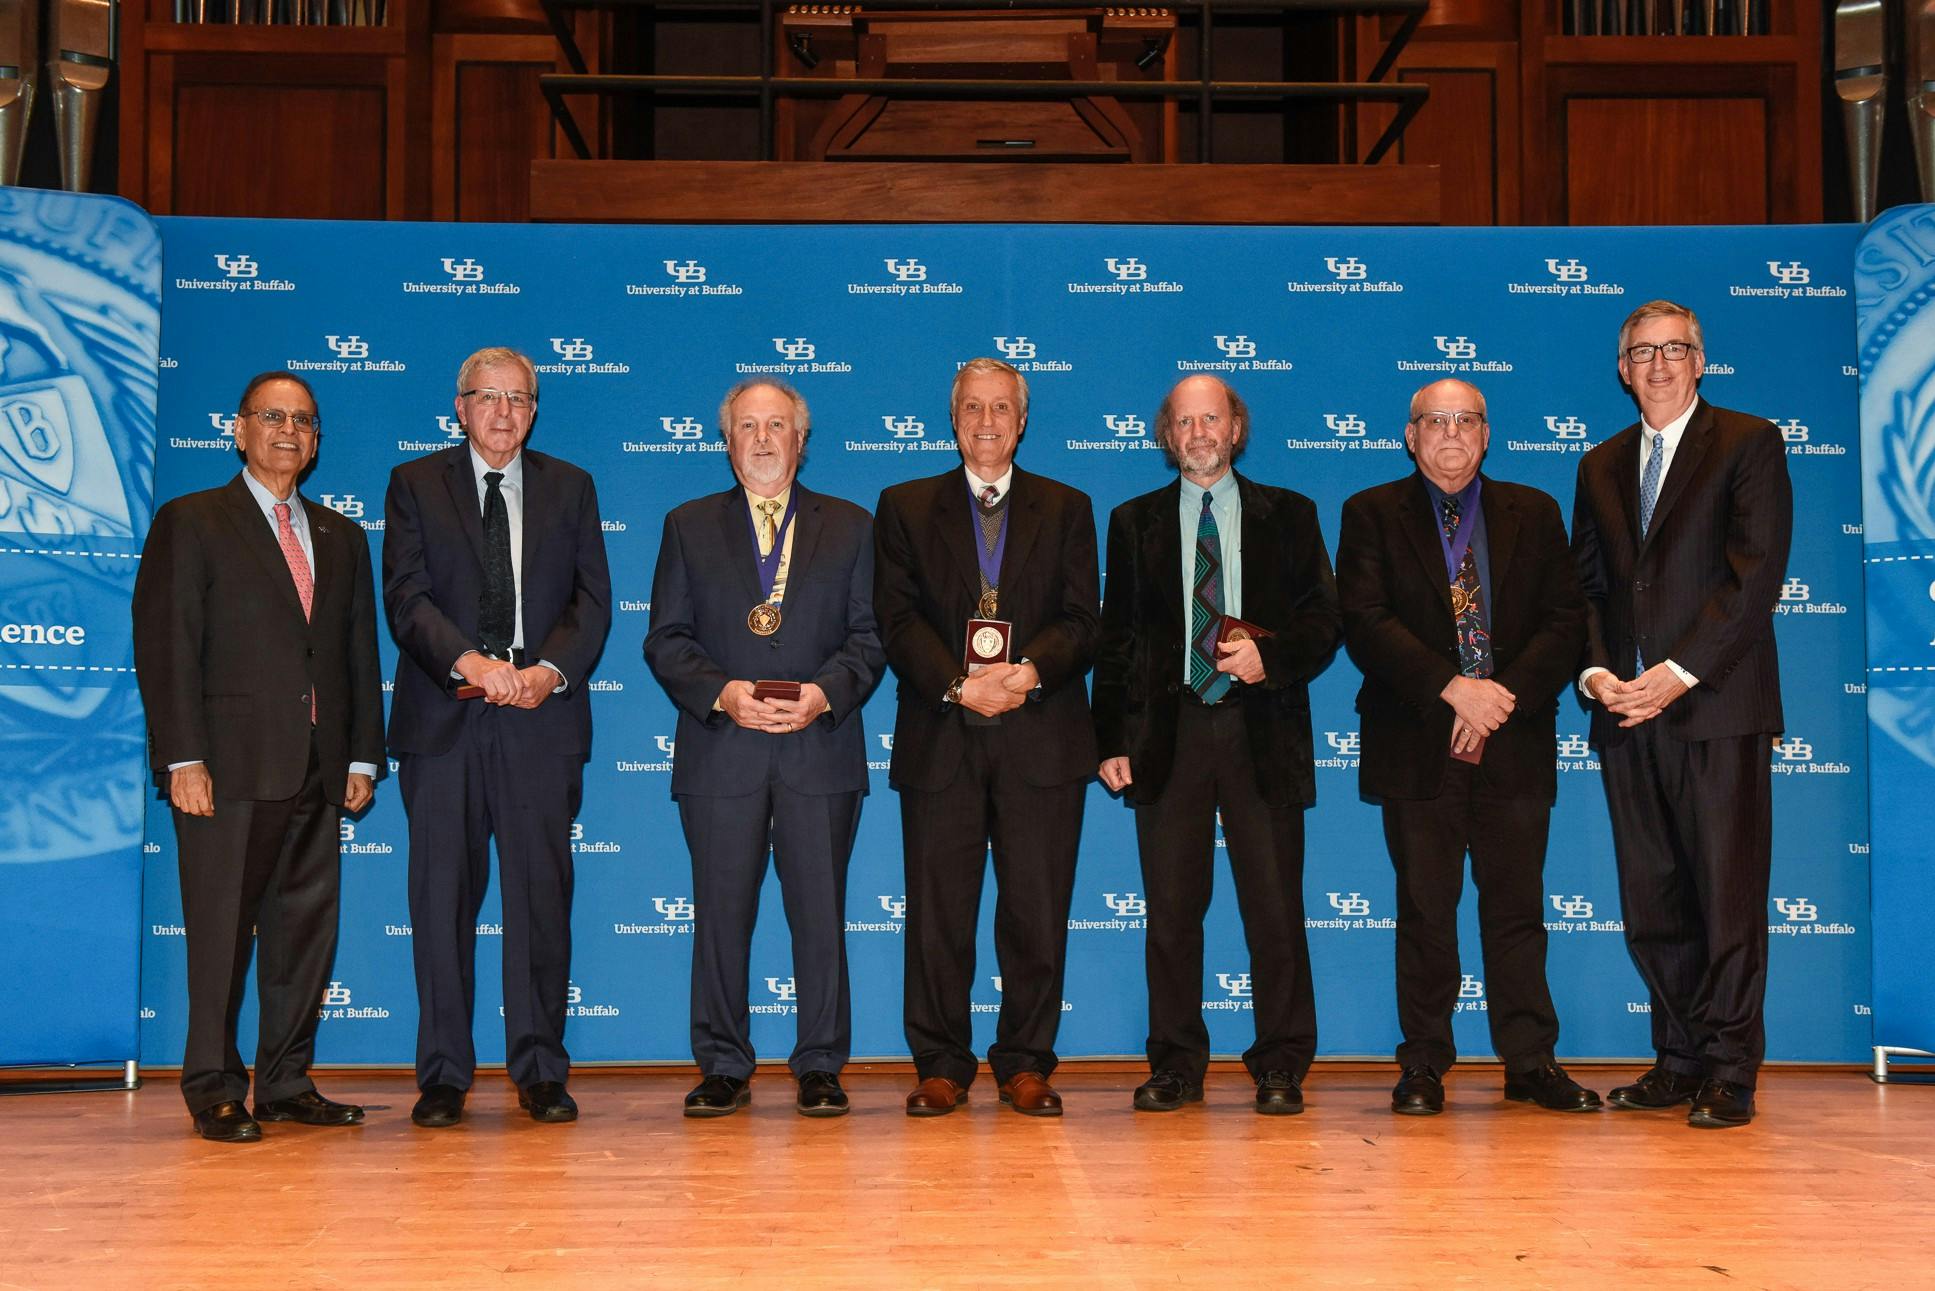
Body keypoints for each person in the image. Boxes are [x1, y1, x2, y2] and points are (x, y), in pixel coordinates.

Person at [132, 371, 384, 1142]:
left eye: (303, 420)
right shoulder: (193, 520)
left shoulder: (340, 535)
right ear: (237, 429)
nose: (288, 430)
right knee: (218, 934)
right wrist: (182, 758)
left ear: (316, 441)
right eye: (271, 416)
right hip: (226, 768)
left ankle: (283, 1081)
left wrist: (362, 758)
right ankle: (213, 1084)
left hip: (317, 765)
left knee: (302, 934)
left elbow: (353, 655)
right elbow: (166, 646)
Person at [1336, 378, 1598, 1117]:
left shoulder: (1534, 511)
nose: (1450, 435)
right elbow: (1364, 620)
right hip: (1415, 739)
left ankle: (1529, 1061)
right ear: (1409, 436)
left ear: (1485, 436)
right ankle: (1422, 1061)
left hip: (1512, 738)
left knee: (1515, 909)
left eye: (1466, 422)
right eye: (1434, 422)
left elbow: (1563, 619)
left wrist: (1495, 698)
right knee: (1425, 909)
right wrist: (1455, 688)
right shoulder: (1369, 513)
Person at [1091, 375, 1339, 1115]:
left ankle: (1281, 1062)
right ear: (1168, 435)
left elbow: (1323, 622)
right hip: (1166, 737)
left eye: (1213, 418)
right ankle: (1174, 1063)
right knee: (1170, 911)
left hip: (1258, 729)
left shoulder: (1289, 515)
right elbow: (1117, 641)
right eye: (1184, 420)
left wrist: (1274, 658)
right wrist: (1108, 738)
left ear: (1236, 428)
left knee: (1273, 908)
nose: (1199, 432)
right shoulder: (1132, 520)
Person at [1572, 300, 1792, 1129]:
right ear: (1621, 369)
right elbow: (1586, 586)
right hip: (1625, 713)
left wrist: (1674, 672)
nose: (1658, 363)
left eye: (1674, 348)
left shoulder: (1747, 441)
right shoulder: (1598, 464)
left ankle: (1731, 1068)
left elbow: (1753, 576)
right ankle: (1678, 1056)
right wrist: (1597, 674)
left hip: (1716, 706)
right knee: (1654, 900)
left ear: (1701, 360)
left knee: (1725, 896)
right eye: (1641, 351)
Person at [384, 345, 612, 1128]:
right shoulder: (414, 484)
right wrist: (472, 661)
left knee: (540, 900)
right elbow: (406, 598)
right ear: (460, 405)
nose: (504, 412)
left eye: (519, 398)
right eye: (488, 397)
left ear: (535, 409)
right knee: (441, 900)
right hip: (445, 718)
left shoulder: (572, 487)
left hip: (539, 719)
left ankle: (541, 1068)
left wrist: (547, 670)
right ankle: (444, 1073)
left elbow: (592, 601)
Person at [644, 379, 885, 1118]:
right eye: (746, 425)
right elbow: (666, 637)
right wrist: (722, 692)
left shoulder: (849, 525)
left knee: (820, 915)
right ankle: (722, 1061)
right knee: (719, 915)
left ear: (801, 439)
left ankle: (819, 1063)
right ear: (725, 439)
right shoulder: (686, 525)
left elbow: (869, 638)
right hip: (723, 751)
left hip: (819, 747)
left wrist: (822, 693)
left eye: (775, 425)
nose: (761, 439)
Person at [873, 357, 1100, 1117]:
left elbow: (1082, 621)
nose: (986, 421)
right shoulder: (903, 506)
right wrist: (957, 682)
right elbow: (896, 619)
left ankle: (1026, 1061)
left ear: (1022, 419)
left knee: (1035, 910)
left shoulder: (1067, 506)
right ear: (953, 416)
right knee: (938, 913)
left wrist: (1028, 672)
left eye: (1001, 407)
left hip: (1041, 737)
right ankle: (940, 1062)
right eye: (972, 406)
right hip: (943, 734)